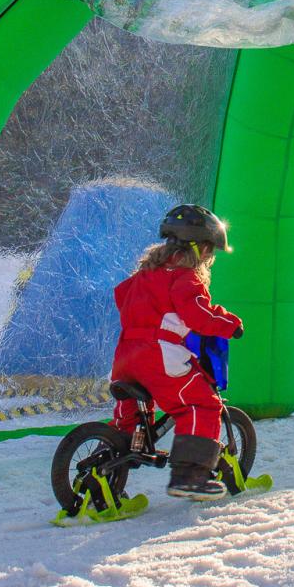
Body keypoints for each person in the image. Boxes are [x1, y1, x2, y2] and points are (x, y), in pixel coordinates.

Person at [110, 204, 244, 500]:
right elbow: (198, 314)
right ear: (199, 247)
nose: (209, 259)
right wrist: (230, 324)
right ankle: (190, 475)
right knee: (202, 404)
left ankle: (105, 467)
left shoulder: (144, 273)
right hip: (157, 354)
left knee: (128, 422)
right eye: (209, 252)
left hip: (125, 356)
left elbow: (121, 296)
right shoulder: (184, 276)